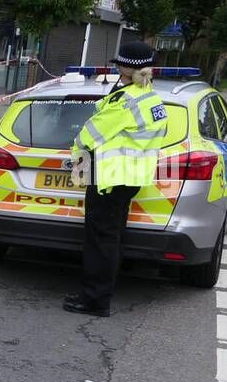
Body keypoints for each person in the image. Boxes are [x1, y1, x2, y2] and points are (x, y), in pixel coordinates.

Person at [63, 41, 170, 317]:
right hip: (130, 177)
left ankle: (95, 301)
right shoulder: (151, 96)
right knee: (112, 237)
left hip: (110, 178)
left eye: (118, 65)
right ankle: (99, 293)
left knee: (101, 240)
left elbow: (90, 135)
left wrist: (76, 155)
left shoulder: (126, 100)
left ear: (124, 68)